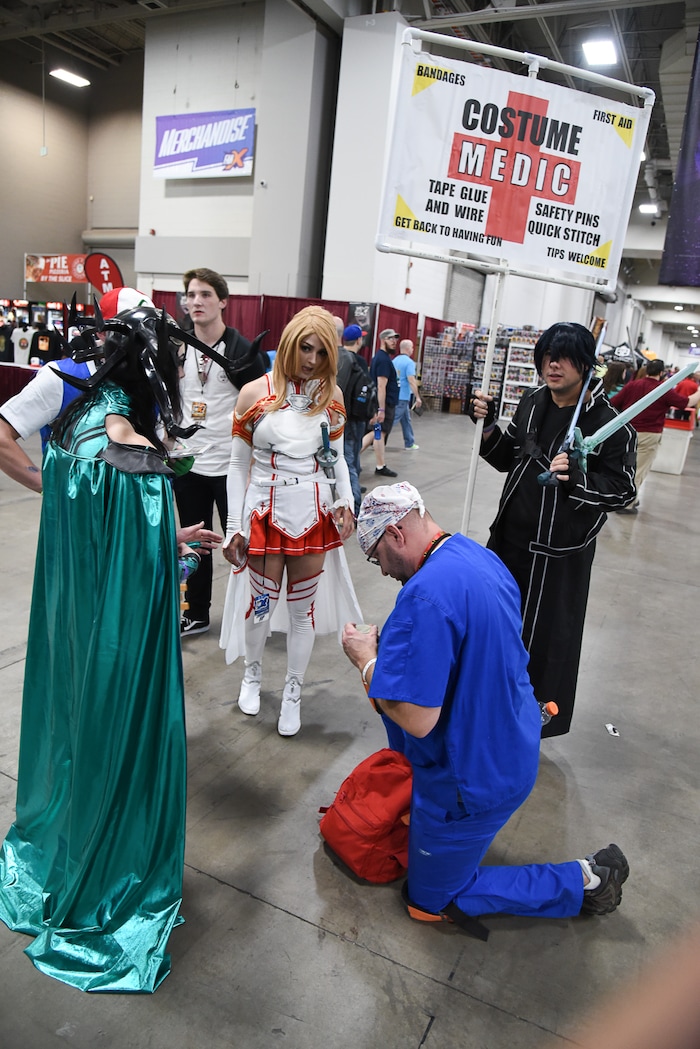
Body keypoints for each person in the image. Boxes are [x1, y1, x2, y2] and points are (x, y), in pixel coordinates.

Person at [0, 305, 200, 992]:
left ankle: (64, 847)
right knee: (120, 725)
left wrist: (168, 537)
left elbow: (116, 523)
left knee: (72, 713)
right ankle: (109, 871)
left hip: (74, 603)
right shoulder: (128, 440)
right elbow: (136, 538)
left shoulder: (83, 427)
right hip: (120, 623)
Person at [342, 482, 629, 932]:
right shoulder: (479, 557)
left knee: (427, 900)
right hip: (510, 741)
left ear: (396, 534)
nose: (380, 570)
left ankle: (585, 881)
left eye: (377, 555)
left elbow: (417, 719)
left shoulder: (422, 596)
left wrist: (367, 662)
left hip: (471, 781)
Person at [470, 322, 637, 737]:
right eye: (546, 356)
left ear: (587, 364)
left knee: (546, 644)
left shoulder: (610, 424)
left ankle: (531, 725)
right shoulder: (532, 401)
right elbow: (511, 456)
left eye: (563, 357)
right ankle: (487, 708)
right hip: (508, 541)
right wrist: (489, 427)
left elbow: (623, 490)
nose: (552, 364)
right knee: (498, 628)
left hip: (558, 555)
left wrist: (579, 480)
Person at [220, 305, 361, 737]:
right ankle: (252, 674)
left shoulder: (330, 396)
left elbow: (335, 458)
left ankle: (293, 691)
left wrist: (347, 499)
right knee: (260, 608)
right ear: (289, 343)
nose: (312, 360)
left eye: (322, 352)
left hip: (314, 511)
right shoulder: (252, 394)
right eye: (305, 348)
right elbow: (237, 465)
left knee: (304, 613)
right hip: (264, 509)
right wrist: (233, 525)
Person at [175, 267, 267, 637]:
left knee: (242, 542)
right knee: (195, 541)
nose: (196, 301)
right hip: (187, 463)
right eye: (191, 295)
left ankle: (252, 610)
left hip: (232, 466)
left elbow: (265, 408)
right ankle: (196, 613)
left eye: (205, 295)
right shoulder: (177, 346)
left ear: (223, 301)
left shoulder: (242, 350)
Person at [612, 358, 700, 511]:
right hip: (649, 434)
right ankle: (627, 502)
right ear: (661, 372)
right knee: (638, 469)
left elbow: (613, 402)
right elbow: (686, 403)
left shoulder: (632, 385)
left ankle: (626, 496)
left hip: (626, 433)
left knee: (624, 467)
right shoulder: (663, 389)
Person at [337, 322, 374, 517]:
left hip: (344, 417)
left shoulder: (339, 358)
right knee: (351, 460)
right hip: (357, 418)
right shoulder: (358, 361)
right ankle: (355, 506)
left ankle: (353, 494)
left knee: (350, 459)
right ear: (359, 340)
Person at [361, 328, 400, 477]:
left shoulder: (381, 358)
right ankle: (352, 459)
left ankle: (380, 464)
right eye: (391, 339)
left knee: (378, 433)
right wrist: (381, 409)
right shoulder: (383, 360)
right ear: (383, 340)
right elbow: (381, 385)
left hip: (382, 404)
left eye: (395, 339)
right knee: (377, 433)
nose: (394, 342)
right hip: (383, 405)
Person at [393, 338, 422, 449]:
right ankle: (375, 438)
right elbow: (411, 380)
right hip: (403, 396)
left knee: (406, 420)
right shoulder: (409, 363)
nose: (413, 349)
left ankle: (409, 442)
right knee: (391, 421)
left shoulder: (394, 361)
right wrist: (417, 397)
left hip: (396, 394)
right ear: (407, 349)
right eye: (411, 347)